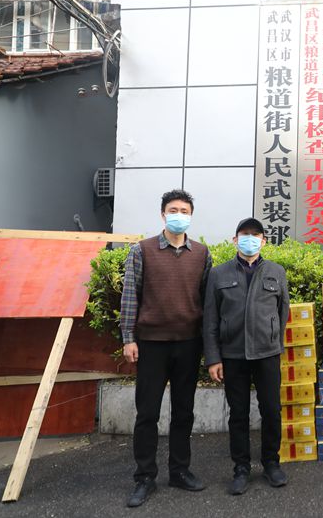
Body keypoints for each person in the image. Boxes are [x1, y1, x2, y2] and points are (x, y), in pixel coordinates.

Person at [120, 189, 212, 508]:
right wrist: (128, 338)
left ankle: (179, 471)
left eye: (184, 211)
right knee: (147, 413)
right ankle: (144, 476)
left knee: (184, 411)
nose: (178, 216)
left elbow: (206, 301)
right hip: (151, 344)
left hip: (188, 343)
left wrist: (208, 345)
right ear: (162, 214)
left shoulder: (201, 253)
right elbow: (130, 295)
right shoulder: (142, 250)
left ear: (191, 216)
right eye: (173, 210)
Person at [203, 217, 290, 495]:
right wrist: (213, 358)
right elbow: (210, 319)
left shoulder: (276, 271)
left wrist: (274, 341)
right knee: (238, 413)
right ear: (235, 239)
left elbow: (283, 312)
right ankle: (241, 468)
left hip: (267, 354)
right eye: (244, 234)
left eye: (255, 235)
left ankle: (271, 463)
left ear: (263, 241)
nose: (249, 239)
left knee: (271, 410)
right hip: (233, 354)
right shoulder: (219, 274)